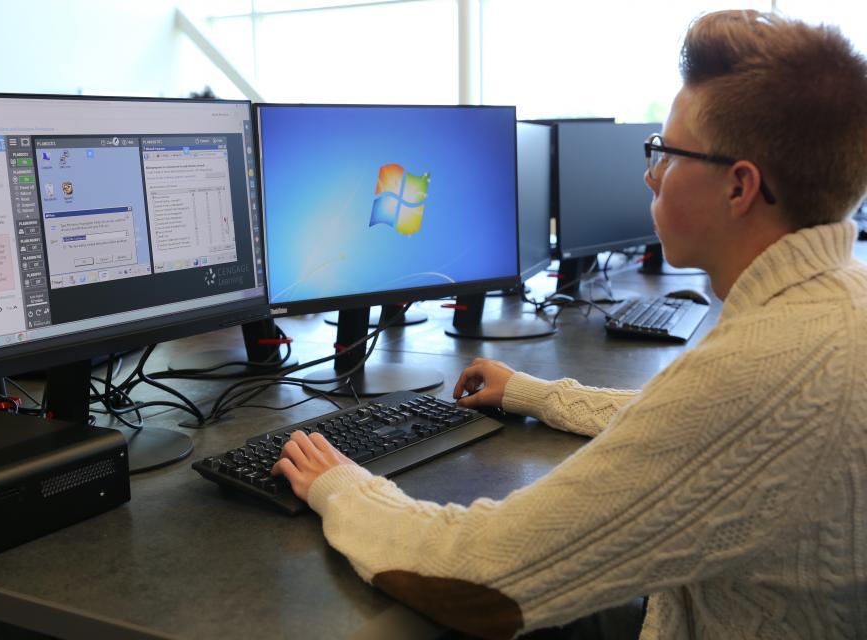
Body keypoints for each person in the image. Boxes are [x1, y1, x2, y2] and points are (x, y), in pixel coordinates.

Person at [272, 10, 867, 639]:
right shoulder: (834, 304)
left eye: (663, 152)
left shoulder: (762, 371)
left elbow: (482, 578)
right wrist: (535, 394)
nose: (649, 173)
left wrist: (342, 488)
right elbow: (690, 426)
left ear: (740, 187)